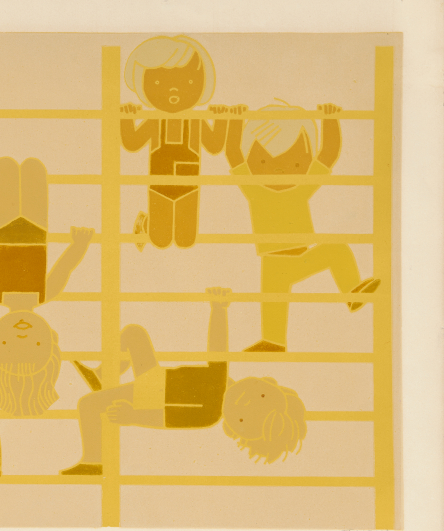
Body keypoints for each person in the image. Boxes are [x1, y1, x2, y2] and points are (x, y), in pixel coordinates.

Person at [60, 288, 307, 475]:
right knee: (134, 334)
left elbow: (167, 419)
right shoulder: (224, 381)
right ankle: (102, 376)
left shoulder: (210, 413)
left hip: (151, 394)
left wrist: (133, 416)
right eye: (260, 395)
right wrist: (218, 308)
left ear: (233, 429)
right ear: (264, 381)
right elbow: (217, 352)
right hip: (157, 377)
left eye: (244, 418)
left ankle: (93, 461)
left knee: (88, 405)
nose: (246, 401)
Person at [0, 157, 94, 415]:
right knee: (35, 168)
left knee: (6, 167)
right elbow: (65, 267)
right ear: (51, 338)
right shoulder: (45, 293)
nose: (22, 336)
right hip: (36, 229)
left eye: (7, 344)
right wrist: (79, 244)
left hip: (5, 229)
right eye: (36, 345)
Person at [225, 101, 381, 352]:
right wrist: (235, 119)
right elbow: (233, 153)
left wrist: (329, 119)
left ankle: (352, 293)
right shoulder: (254, 189)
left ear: (306, 166)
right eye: (263, 162)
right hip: (273, 260)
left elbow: (327, 154)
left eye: (295, 164)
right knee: (273, 298)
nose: (278, 170)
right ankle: (274, 341)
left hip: (296, 256)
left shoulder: (299, 189)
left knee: (336, 250)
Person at [121, 35, 242, 250]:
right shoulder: (155, 120)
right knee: (160, 241)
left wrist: (224, 119)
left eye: (188, 82)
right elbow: (132, 143)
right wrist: (126, 118)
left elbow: (214, 146)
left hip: (189, 187)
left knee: (186, 240)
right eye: (158, 83)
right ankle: (146, 223)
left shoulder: (195, 122)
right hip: (159, 186)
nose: (174, 90)